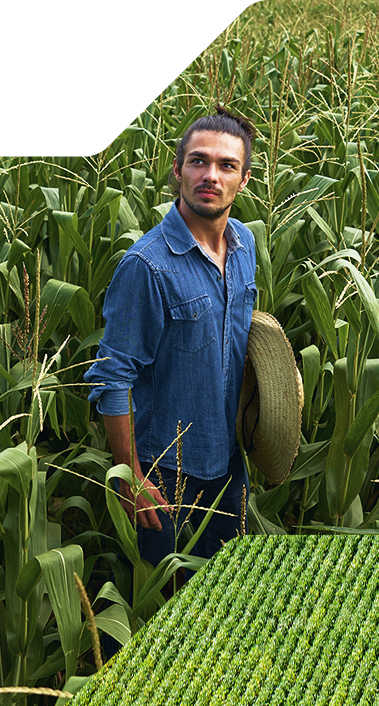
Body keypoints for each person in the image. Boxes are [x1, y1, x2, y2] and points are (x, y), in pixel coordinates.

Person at [84, 105, 258, 599]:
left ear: (243, 180)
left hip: (229, 464)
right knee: (165, 605)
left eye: (226, 165)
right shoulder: (147, 266)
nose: (211, 175)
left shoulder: (245, 245)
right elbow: (112, 377)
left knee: (223, 599)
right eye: (198, 161)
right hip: (165, 476)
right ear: (178, 169)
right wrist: (132, 478)